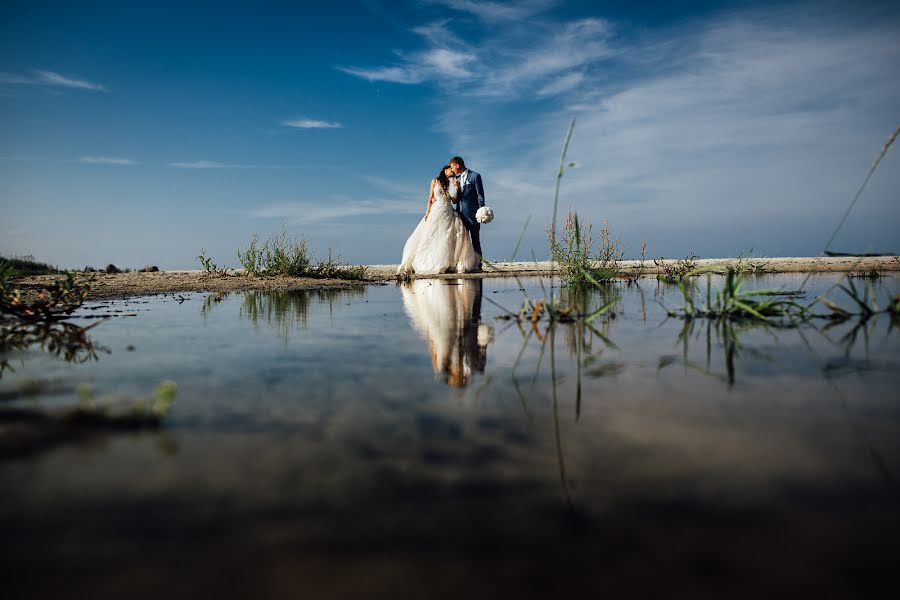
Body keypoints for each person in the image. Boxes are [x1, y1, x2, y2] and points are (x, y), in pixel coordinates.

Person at [397, 164, 478, 275]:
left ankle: (447, 262)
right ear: (445, 170)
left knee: (447, 236)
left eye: (454, 172)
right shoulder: (434, 181)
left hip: (448, 210)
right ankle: (430, 261)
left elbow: (454, 201)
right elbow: (430, 199)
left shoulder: (453, 182)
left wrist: (457, 188)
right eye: (451, 170)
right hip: (436, 210)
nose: (453, 172)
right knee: (431, 235)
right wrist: (427, 213)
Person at [449, 156, 485, 271]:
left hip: (473, 214)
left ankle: (479, 264)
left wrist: (481, 211)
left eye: (452, 166)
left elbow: (480, 195)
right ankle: (463, 264)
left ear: (457, 165)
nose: (451, 169)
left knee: (475, 239)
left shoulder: (475, 176)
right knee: (461, 240)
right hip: (459, 214)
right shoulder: (455, 178)